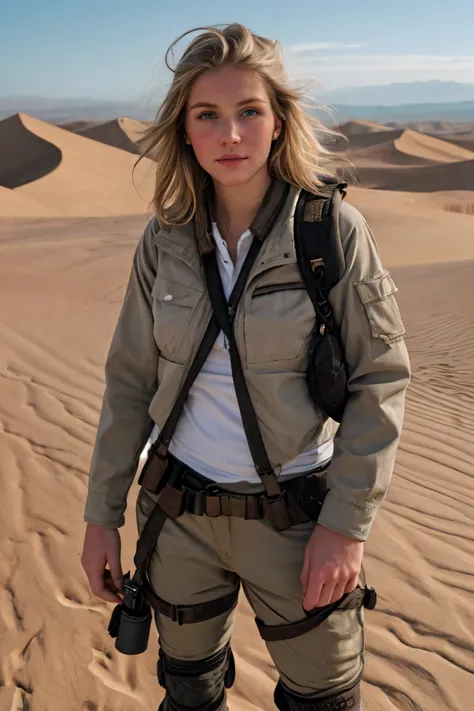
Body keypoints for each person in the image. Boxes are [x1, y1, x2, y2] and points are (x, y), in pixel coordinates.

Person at [81, 23, 411, 711]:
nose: (231, 134)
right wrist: (101, 515)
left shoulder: (329, 232)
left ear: (278, 120)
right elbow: (130, 381)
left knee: (323, 697)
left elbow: (381, 379)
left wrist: (346, 525)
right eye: (208, 115)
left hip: (297, 519)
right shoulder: (165, 239)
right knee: (189, 692)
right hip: (180, 514)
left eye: (249, 111)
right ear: (186, 130)